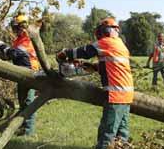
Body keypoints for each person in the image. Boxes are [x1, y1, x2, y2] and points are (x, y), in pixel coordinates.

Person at [57, 17, 134, 149]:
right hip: (126, 95)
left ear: (105, 31)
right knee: (122, 136)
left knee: (107, 135)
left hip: (116, 96)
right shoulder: (120, 44)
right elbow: (113, 65)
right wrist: (93, 66)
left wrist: (65, 53)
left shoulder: (106, 42)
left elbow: (84, 51)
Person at [0, 14, 40, 136]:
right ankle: (23, 126)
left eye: (17, 27)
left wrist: (2, 45)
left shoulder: (27, 40)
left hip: (30, 73)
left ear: (23, 26)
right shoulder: (18, 40)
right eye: (14, 28)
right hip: (20, 73)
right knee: (22, 101)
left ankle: (29, 131)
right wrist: (2, 54)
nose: (15, 30)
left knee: (29, 102)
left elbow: (15, 53)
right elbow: (11, 55)